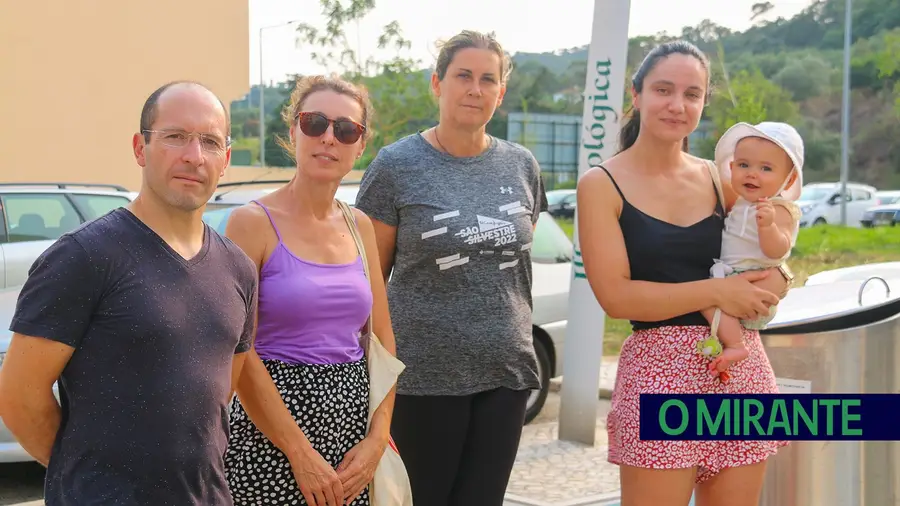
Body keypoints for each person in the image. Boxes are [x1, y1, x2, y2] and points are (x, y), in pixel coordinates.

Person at [0, 81, 257, 505]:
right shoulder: (83, 256)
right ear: (140, 148)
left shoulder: (238, 269)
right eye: (175, 137)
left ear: (226, 159)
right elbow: (19, 398)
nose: (194, 156)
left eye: (210, 142)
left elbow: (217, 398)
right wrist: (90, 482)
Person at [576, 41, 793, 506]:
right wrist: (716, 291)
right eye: (663, 89)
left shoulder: (721, 178)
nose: (677, 105)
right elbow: (617, 297)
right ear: (636, 96)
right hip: (658, 374)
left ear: (703, 103)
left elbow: (768, 253)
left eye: (692, 94)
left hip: (739, 372)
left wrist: (781, 280)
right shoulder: (601, 184)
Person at [355, 29, 548, 506]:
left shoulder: (522, 166)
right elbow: (368, 283)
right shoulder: (396, 166)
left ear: (500, 92)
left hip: (506, 373)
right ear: (437, 83)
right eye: (463, 75)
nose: (475, 89)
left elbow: (514, 264)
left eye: (488, 79)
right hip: (422, 377)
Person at [222, 74, 397, 506]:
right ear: (293, 132)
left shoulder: (361, 227)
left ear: (360, 145)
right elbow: (238, 351)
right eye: (315, 123)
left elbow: (382, 341)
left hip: (350, 438)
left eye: (345, 129)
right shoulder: (252, 222)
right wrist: (299, 452)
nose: (328, 139)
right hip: (270, 438)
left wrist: (378, 437)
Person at [698, 121, 804, 382]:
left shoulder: (779, 208)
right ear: (731, 168)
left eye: (766, 168)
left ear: (788, 179)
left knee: (708, 300)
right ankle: (730, 343)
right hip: (732, 275)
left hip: (755, 278)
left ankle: (735, 345)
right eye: (744, 165)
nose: (752, 174)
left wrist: (767, 227)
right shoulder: (740, 203)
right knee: (706, 297)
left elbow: (777, 250)